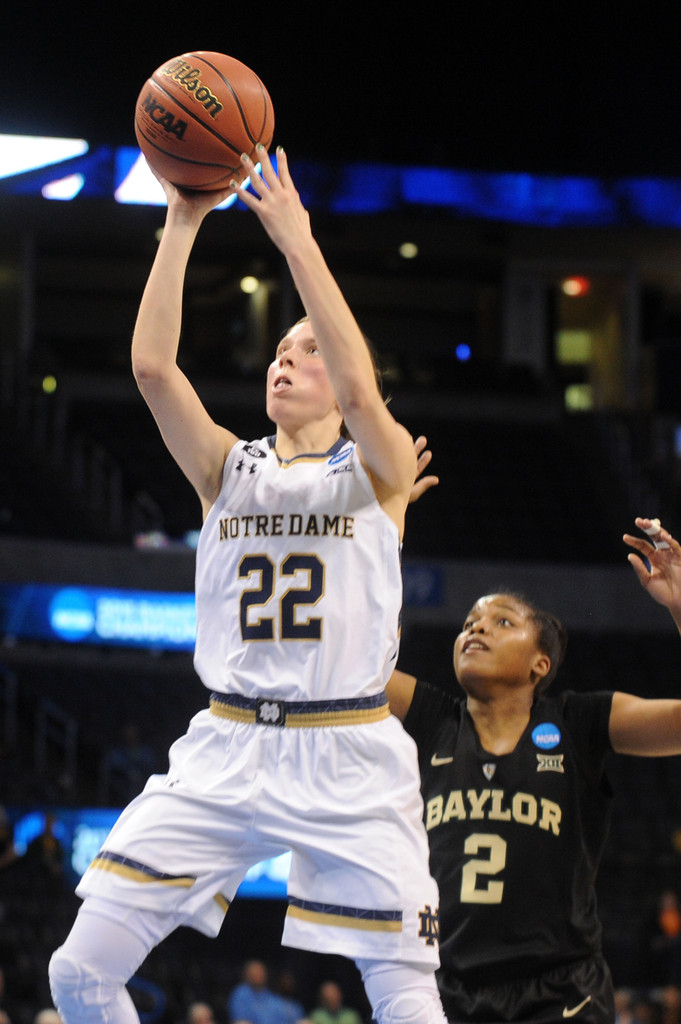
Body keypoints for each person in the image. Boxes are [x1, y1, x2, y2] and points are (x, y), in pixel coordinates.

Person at [48, 146, 446, 1024]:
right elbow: (154, 370)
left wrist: (296, 239)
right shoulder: (227, 467)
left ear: (340, 386)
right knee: (76, 977)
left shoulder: (377, 469)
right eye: (277, 350)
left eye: (305, 352)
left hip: (346, 752)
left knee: (408, 1001)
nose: (283, 361)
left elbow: (360, 382)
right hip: (226, 746)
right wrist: (182, 221)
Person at [387, 516, 681, 1023]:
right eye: (469, 623)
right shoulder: (434, 718)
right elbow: (341, 670)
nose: (476, 627)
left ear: (539, 664)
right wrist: (383, 525)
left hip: (560, 992)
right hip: (444, 989)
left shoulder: (580, 722)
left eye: (502, 621)